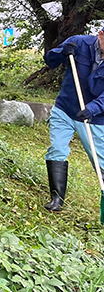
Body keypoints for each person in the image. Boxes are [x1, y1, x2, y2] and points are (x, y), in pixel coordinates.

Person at [42, 28, 104, 212]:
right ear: (101, 34)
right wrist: (63, 51)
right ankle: (56, 199)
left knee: (101, 161)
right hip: (65, 110)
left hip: (95, 118)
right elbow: (50, 60)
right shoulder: (79, 42)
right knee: (57, 149)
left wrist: (92, 109)